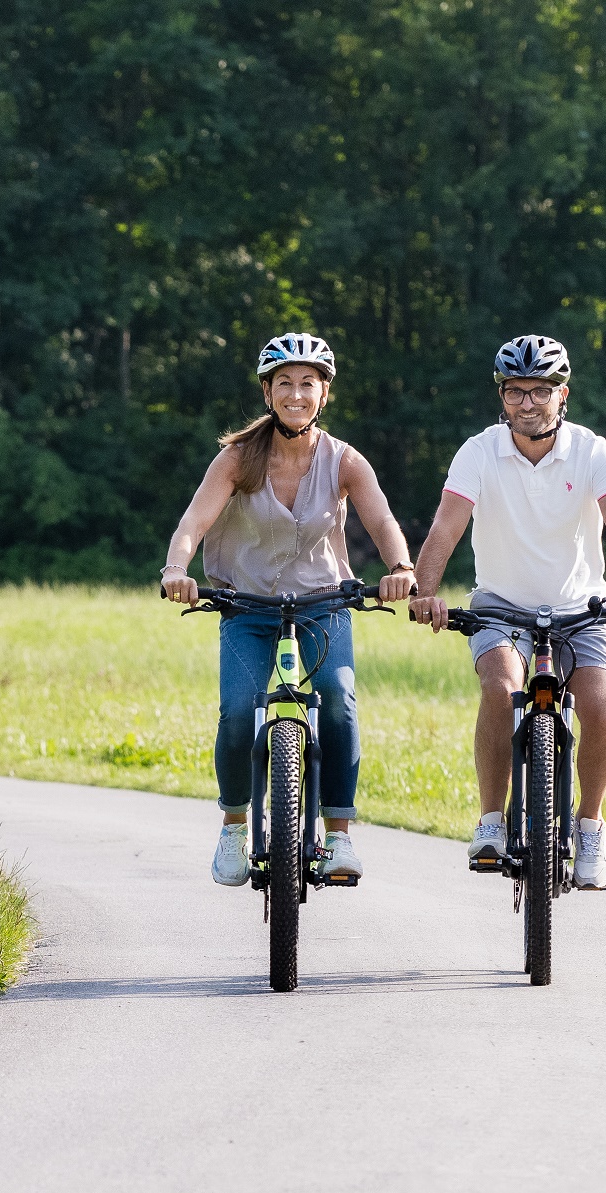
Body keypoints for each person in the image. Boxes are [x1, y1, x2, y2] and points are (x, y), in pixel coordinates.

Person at [406, 335, 606, 890]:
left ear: (563, 395)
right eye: (515, 391)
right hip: (501, 607)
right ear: (502, 397)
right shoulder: (479, 452)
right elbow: (444, 530)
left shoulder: (592, 451)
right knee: (500, 687)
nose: (527, 403)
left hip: (582, 608)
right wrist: (424, 594)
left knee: (600, 710)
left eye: (540, 391)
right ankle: (490, 821)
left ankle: (590, 827)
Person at [160, 333, 419, 888]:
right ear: (268, 392)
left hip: (323, 605)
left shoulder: (344, 460)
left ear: (323, 394)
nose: (296, 394)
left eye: (308, 384)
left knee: (340, 704)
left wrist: (400, 569)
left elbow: (382, 521)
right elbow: (193, 524)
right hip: (247, 607)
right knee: (236, 712)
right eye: (285, 384)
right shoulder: (236, 459)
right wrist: (175, 571)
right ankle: (233, 826)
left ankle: (340, 834)